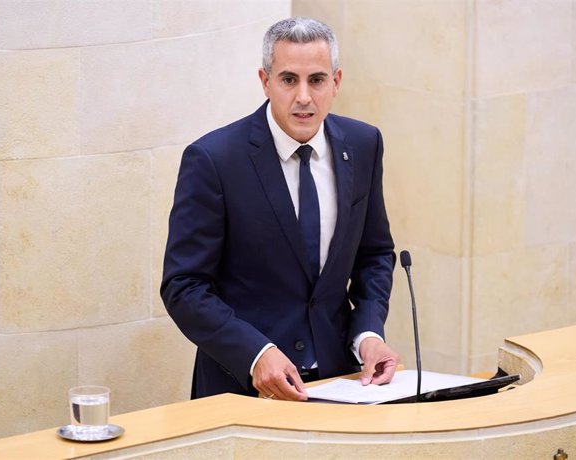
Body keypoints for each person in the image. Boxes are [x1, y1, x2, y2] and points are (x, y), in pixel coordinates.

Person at [161, 17, 399, 402]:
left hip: (339, 385)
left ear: (336, 82)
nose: (303, 96)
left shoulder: (363, 143)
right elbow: (184, 287)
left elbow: (374, 255)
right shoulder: (213, 159)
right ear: (265, 81)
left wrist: (368, 334)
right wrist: (256, 355)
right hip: (241, 390)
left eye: (317, 80)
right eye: (289, 79)